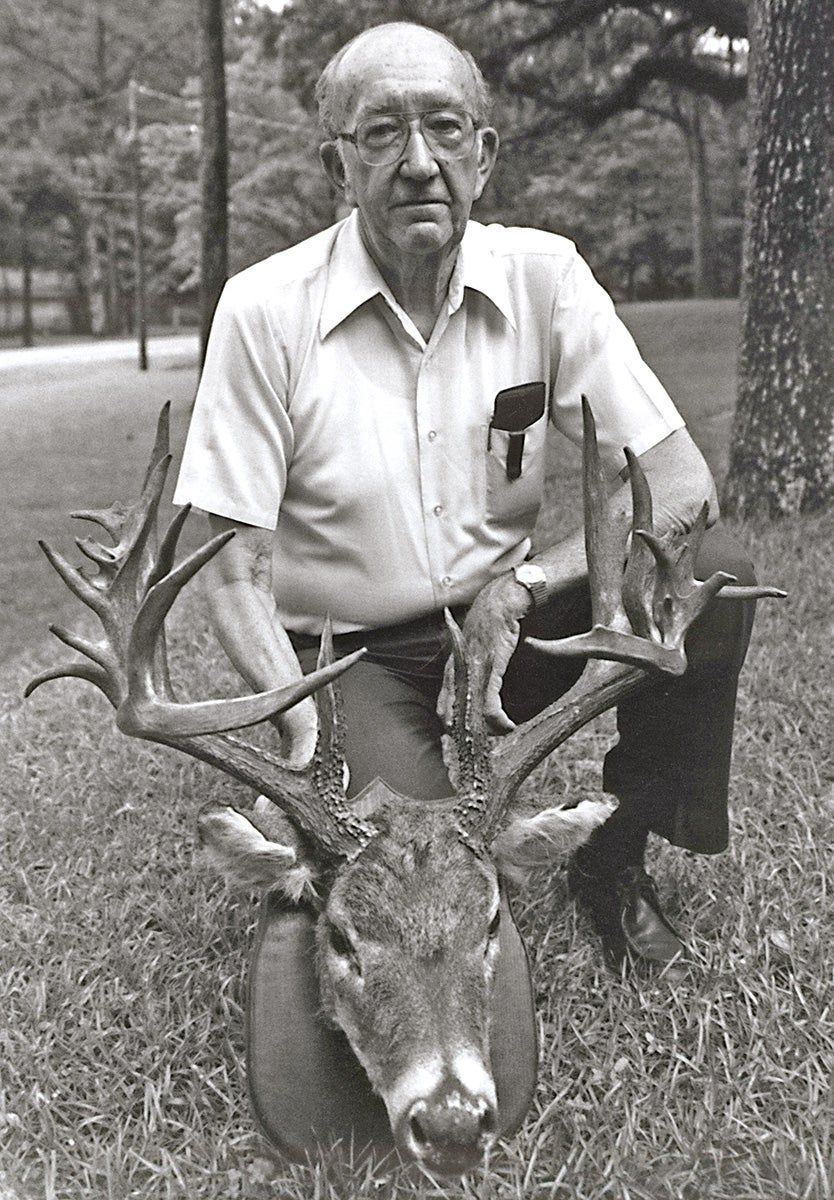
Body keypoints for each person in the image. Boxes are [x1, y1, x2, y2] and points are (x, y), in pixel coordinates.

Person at [174, 22, 757, 976]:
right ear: (337, 164)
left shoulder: (545, 277)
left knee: (717, 576)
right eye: (381, 135)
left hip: (510, 627)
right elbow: (233, 574)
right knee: (409, 876)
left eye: (445, 128)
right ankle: (390, 768)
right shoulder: (262, 311)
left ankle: (613, 852)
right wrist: (310, 737)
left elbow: (684, 481)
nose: (417, 162)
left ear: (483, 157)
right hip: (346, 655)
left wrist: (525, 587)